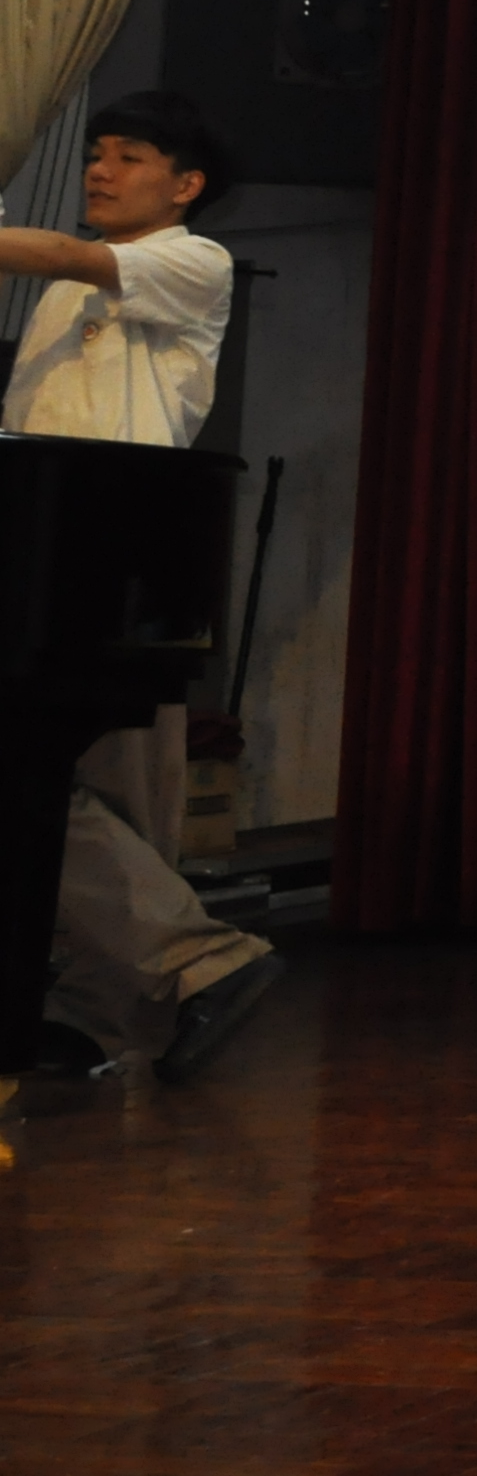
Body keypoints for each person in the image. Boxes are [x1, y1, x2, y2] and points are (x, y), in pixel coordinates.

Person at [1, 93, 280, 1084]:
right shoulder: (66, 287)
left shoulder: (190, 259)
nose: (99, 169)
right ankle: (106, 1010)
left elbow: (58, 253)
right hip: (54, 555)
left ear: (186, 185)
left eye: (128, 156)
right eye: (96, 152)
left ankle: (194, 966)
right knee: (63, 793)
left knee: (86, 795)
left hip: (122, 558)